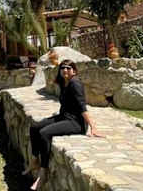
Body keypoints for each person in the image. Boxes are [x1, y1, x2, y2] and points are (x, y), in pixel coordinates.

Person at [25, 59, 103, 190]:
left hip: (75, 123)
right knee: (34, 127)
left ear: (74, 71)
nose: (65, 70)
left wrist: (92, 126)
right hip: (64, 117)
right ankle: (34, 160)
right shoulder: (64, 83)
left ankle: (43, 173)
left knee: (44, 133)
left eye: (68, 68)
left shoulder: (75, 84)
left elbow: (82, 106)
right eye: (62, 68)